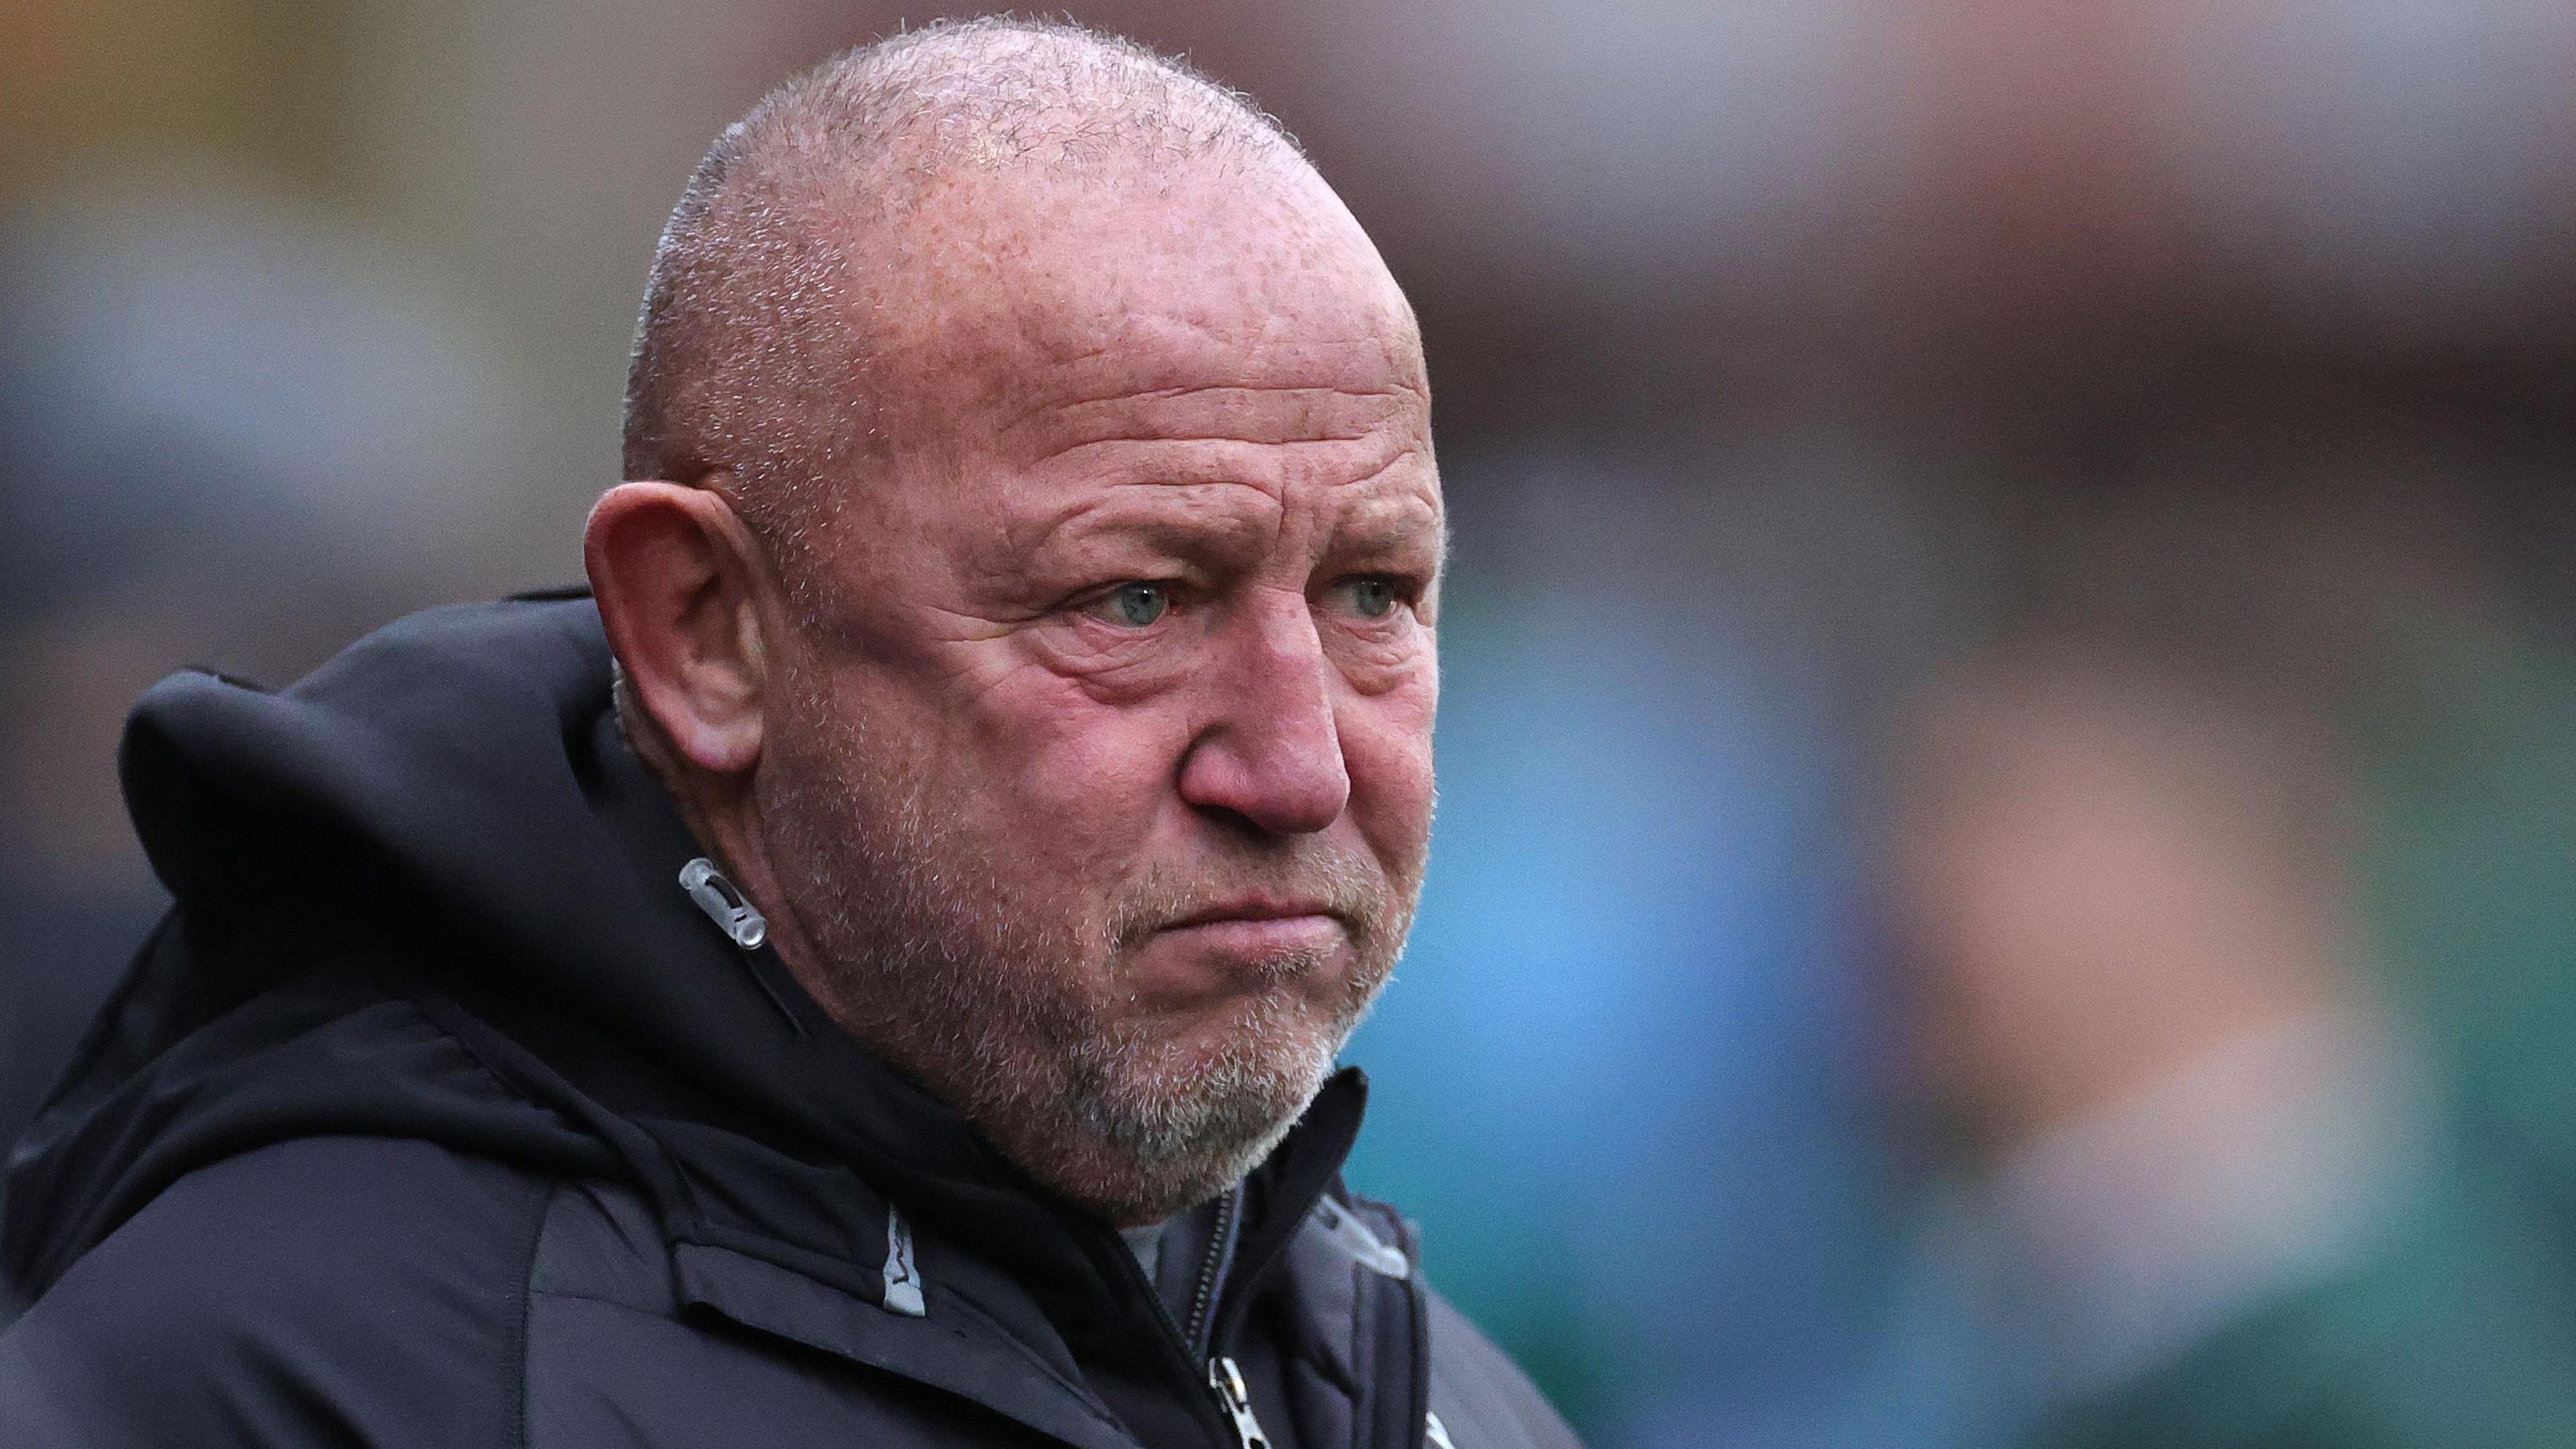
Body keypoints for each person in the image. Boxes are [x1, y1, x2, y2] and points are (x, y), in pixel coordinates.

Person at [0, 19, 1579, 1449]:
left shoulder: (1429, 1394)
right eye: (1135, 603)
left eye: (1375, 593)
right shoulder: (269, 1389)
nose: (1303, 769)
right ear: (705, 632)